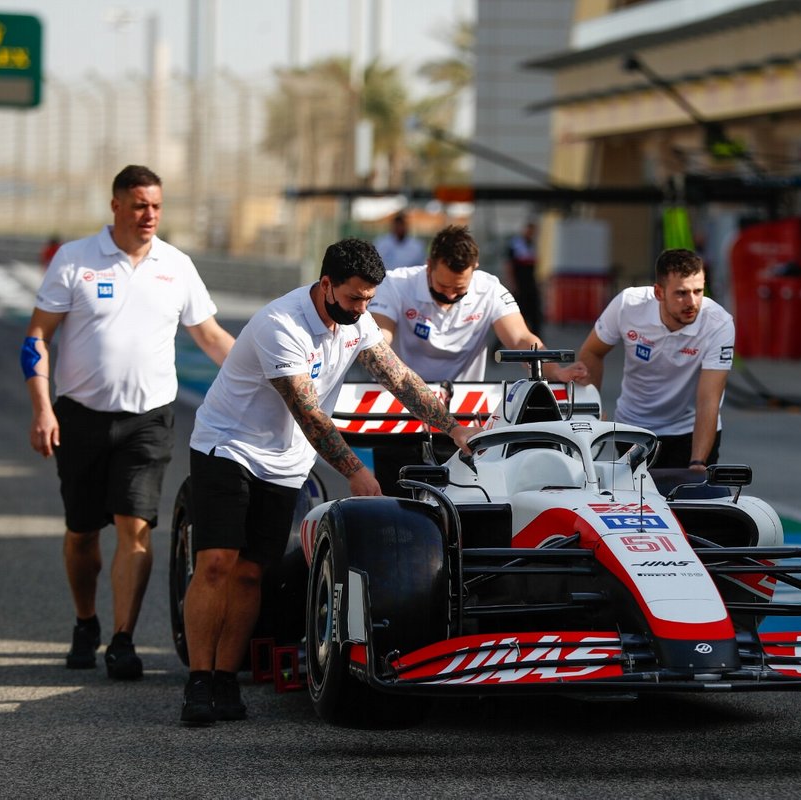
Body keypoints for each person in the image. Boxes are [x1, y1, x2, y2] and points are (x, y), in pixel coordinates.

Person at [181, 238, 473, 726]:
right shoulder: (281, 324)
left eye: (370, 300)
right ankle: (198, 679)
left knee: (251, 572)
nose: (362, 309)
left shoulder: (358, 322)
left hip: (285, 461)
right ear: (326, 285)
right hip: (228, 446)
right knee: (216, 563)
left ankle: (226, 677)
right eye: (355, 297)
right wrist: (356, 471)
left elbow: (400, 379)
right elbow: (309, 414)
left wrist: (454, 428)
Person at [24, 165, 235, 681]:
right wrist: (43, 408)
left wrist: (271, 376)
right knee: (81, 534)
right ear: (116, 205)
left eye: (157, 206)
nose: (150, 215)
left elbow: (210, 336)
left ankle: (123, 639)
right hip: (79, 417)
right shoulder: (75, 259)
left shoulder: (176, 265)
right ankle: (86, 621)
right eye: (140, 205)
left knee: (135, 527)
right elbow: (37, 337)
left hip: (148, 419)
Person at [576, 248, 734, 471]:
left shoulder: (719, 323)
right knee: (635, 495)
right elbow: (592, 352)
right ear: (659, 293)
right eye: (681, 293)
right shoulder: (627, 305)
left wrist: (698, 461)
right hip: (633, 428)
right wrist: (591, 412)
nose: (692, 302)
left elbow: (709, 399)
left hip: (688, 431)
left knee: (691, 492)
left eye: (698, 291)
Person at [369, 224, 586, 385]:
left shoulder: (490, 289)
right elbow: (380, 340)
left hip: (465, 402)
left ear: (474, 268)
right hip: (400, 395)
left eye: (459, 288)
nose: (450, 295)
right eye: (443, 286)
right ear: (429, 266)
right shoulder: (395, 284)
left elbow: (521, 339)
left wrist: (555, 372)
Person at [506, 221, 543, 337]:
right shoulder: (515, 245)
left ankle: (537, 344)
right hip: (520, 285)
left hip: (531, 285)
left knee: (536, 317)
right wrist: (513, 285)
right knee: (517, 315)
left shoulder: (533, 245)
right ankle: (501, 342)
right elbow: (509, 266)